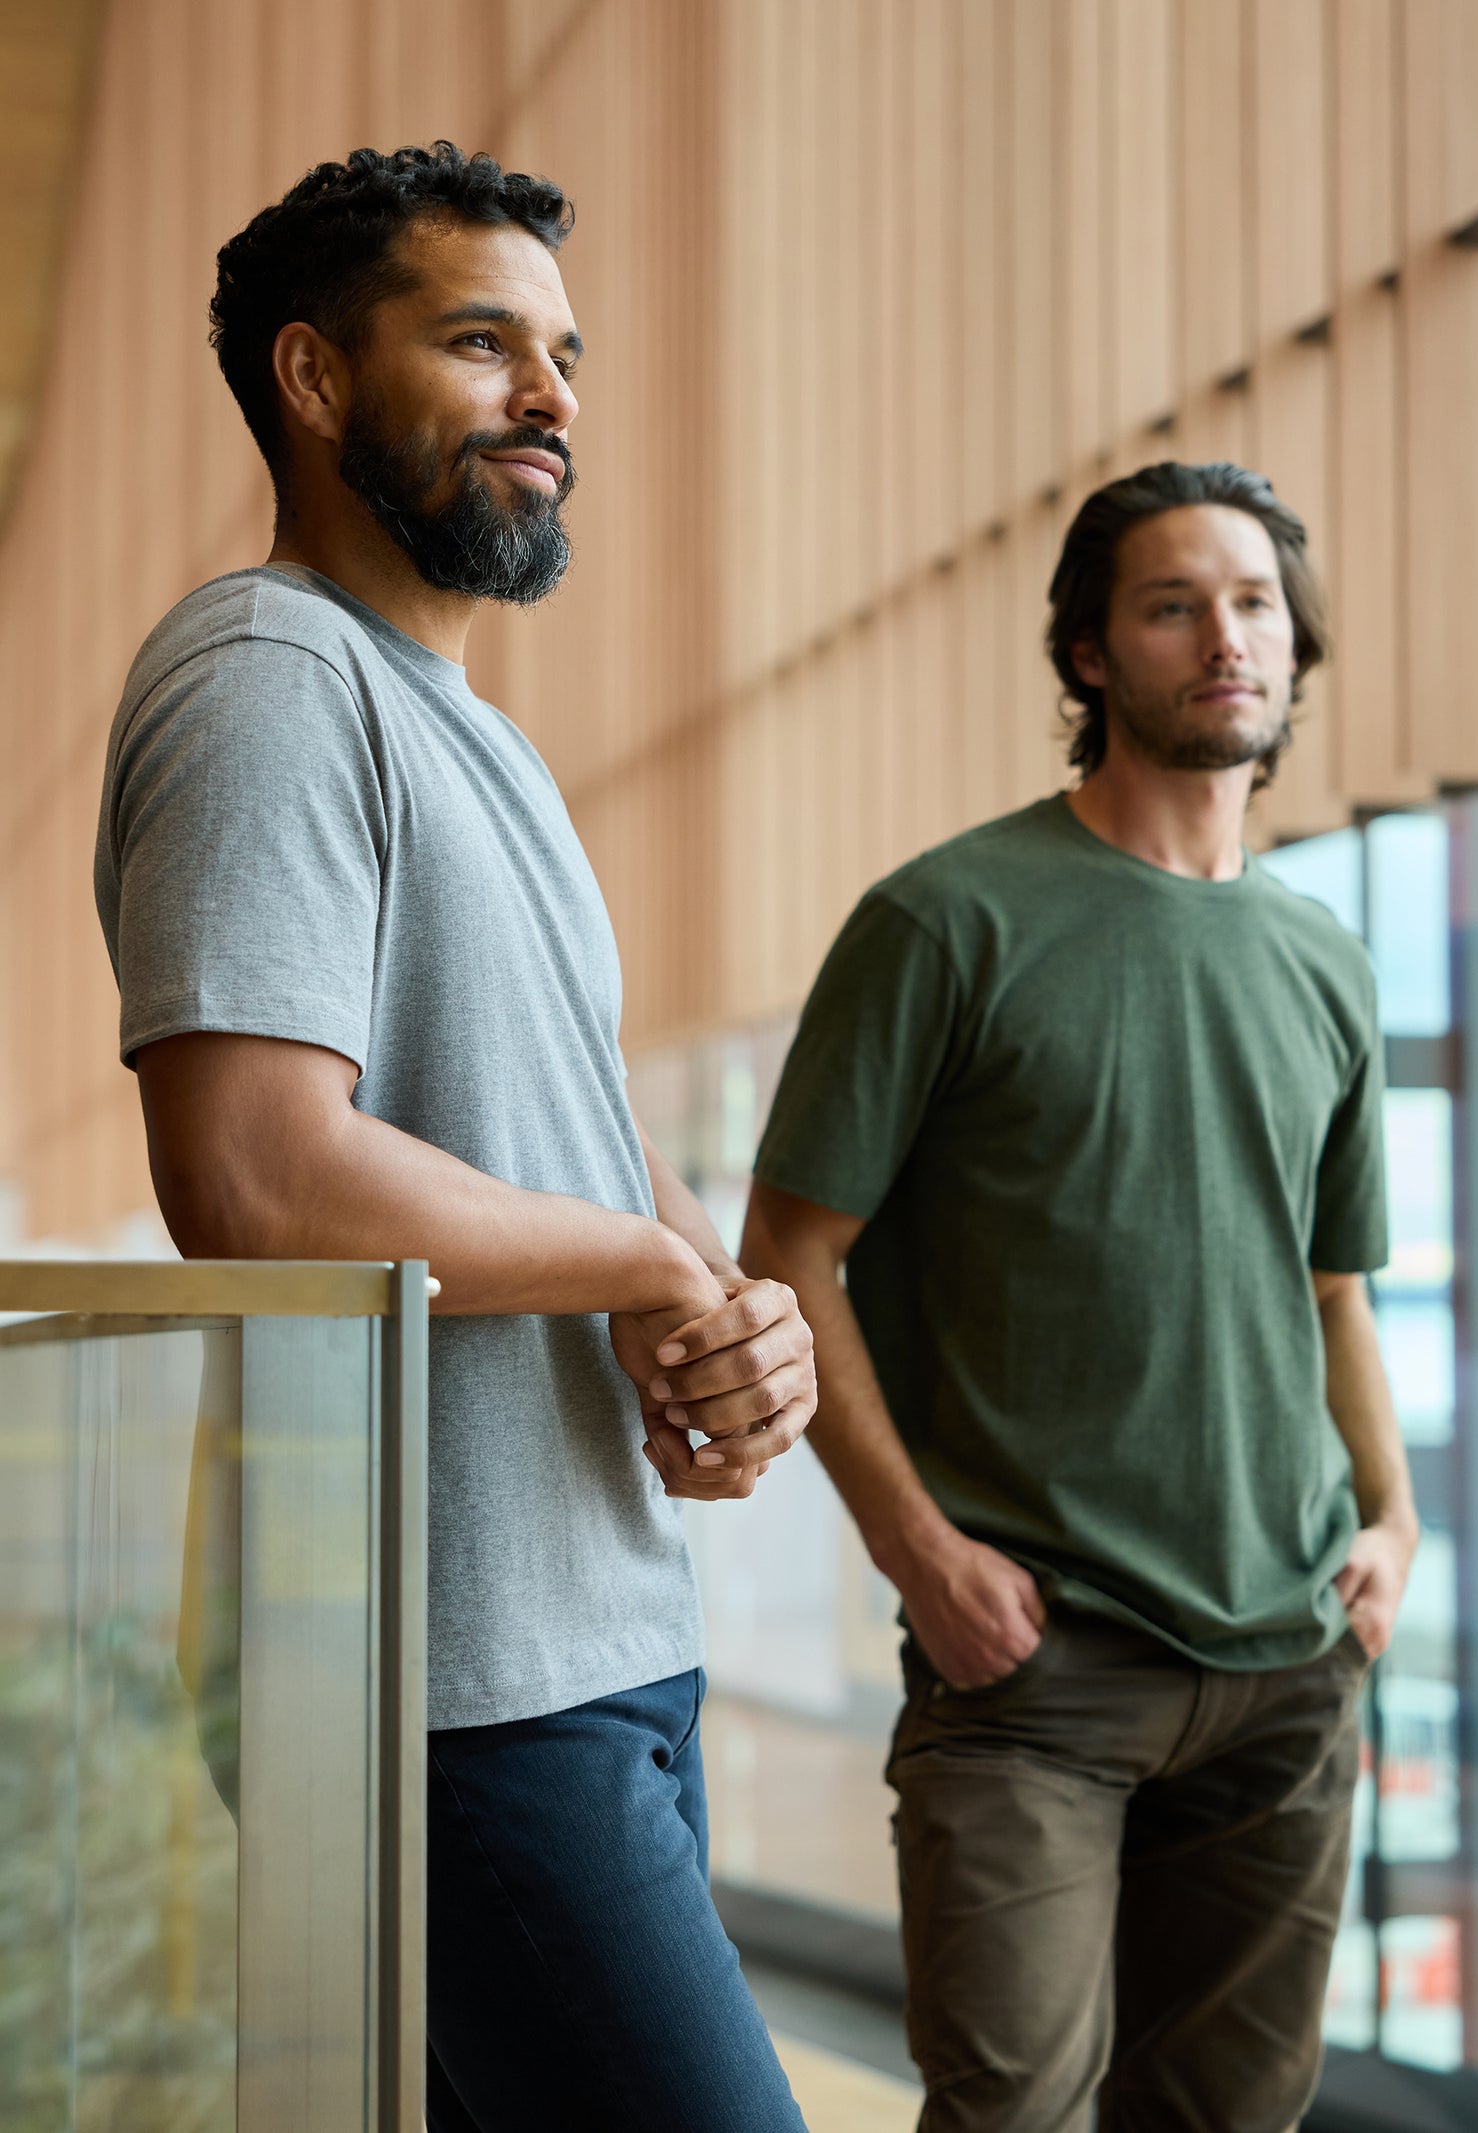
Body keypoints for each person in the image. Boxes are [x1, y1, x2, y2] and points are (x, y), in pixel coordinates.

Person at [94, 142, 813, 2133]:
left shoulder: (467, 729)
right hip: (442, 1676)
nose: (553, 397)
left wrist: (734, 1311)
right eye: (482, 341)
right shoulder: (265, 679)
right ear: (317, 382)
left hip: (574, 1633)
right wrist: (647, 1263)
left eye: (565, 352)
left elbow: (568, 1137)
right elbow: (253, 1175)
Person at [718, 462, 1417, 2130]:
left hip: (1291, 1663)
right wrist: (920, 1553)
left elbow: (1331, 1289)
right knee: (1013, 2110)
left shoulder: (1327, 961)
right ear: (1092, 655)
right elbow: (789, 1258)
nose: (1223, 637)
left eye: (1253, 602)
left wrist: (1392, 1519)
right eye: (1173, 604)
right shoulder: (945, 919)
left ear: (1294, 645)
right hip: (1033, 1669)